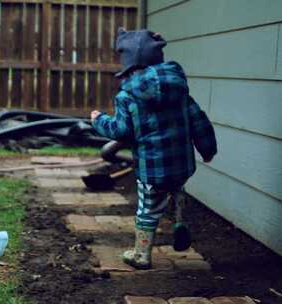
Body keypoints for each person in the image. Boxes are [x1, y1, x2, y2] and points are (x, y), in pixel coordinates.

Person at [90, 28, 217, 270]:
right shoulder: (179, 90)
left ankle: (141, 255)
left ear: (129, 68)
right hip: (181, 165)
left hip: (152, 169)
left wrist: (98, 120)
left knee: (148, 209)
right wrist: (208, 149)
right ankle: (180, 222)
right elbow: (198, 120)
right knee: (177, 189)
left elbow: (121, 131)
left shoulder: (128, 96)